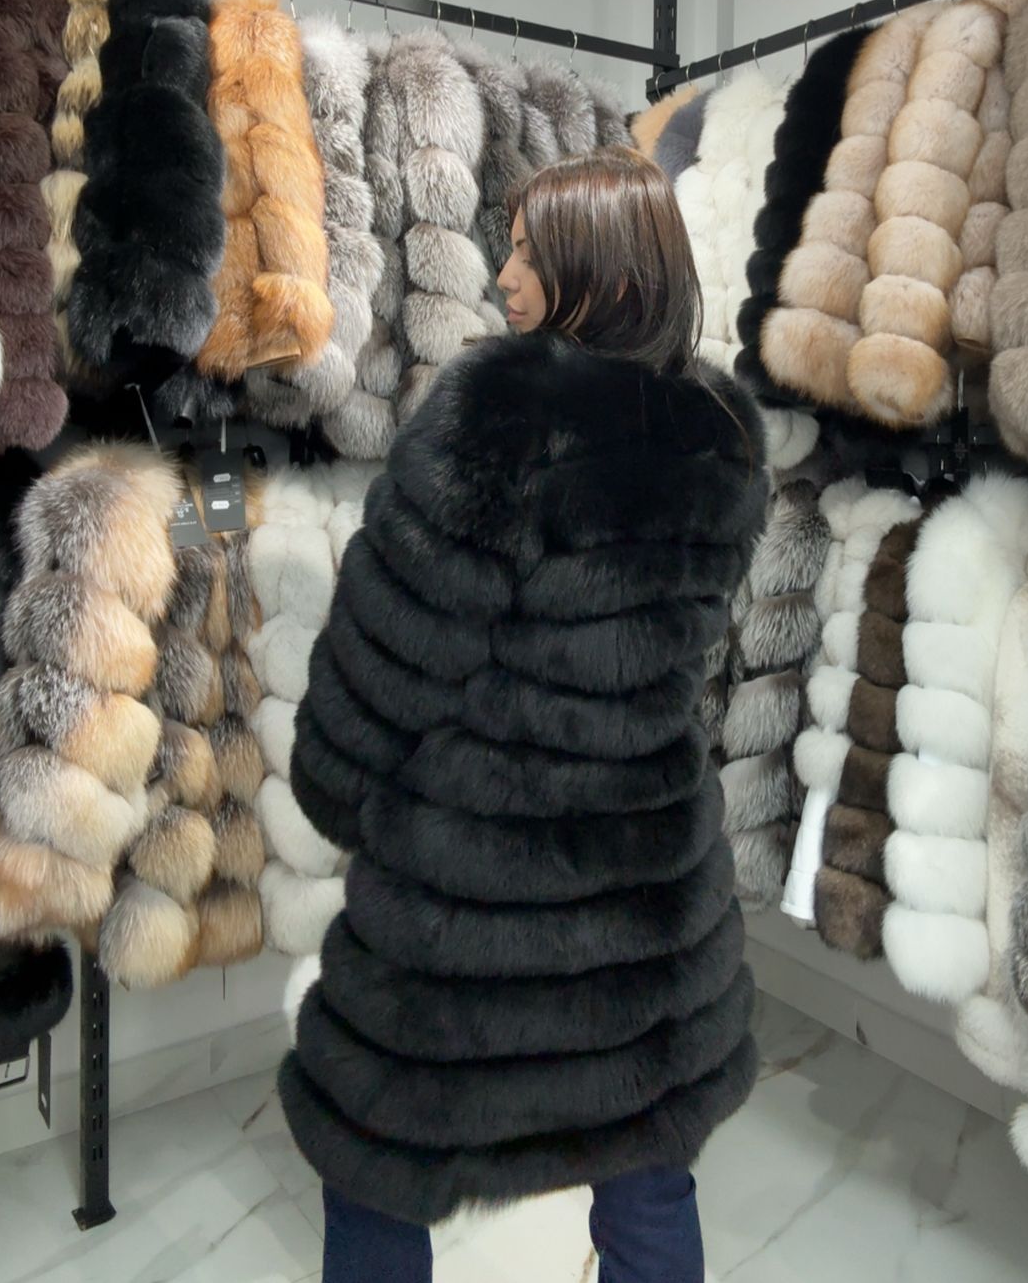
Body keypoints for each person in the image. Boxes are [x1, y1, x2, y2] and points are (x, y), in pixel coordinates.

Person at [278, 146, 768, 1282]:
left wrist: (344, 800)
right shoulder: (719, 436)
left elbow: (385, 655)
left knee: (376, 1153)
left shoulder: (495, 415)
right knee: (646, 1164)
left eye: (529, 255)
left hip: (468, 901)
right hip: (647, 893)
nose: (502, 277)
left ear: (606, 269)